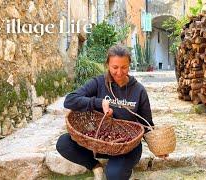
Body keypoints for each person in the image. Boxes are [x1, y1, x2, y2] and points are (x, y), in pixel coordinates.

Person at [56, 44, 166, 180]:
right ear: (107, 64)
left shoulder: (139, 90)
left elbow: (146, 124)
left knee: (114, 175)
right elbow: (70, 100)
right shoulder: (98, 83)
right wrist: (98, 102)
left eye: (124, 67)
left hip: (127, 147)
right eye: (115, 67)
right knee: (64, 143)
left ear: (129, 65)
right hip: (100, 142)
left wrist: (158, 147)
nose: (119, 72)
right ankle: (95, 166)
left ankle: (125, 171)